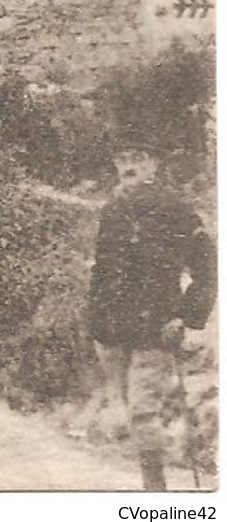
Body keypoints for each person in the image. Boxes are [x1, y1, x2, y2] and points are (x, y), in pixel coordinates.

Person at [88, 142, 216, 491]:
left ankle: (155, 493)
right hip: (112, 329)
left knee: (143, 412)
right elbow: (103, 268)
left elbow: (209, 270)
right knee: (126, 411)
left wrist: (186, 318)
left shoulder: (177, 211)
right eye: (122, 159)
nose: (128, 166)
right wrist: (95, 320)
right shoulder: (113, 210)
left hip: (156, 328)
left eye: (139, 158)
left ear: (154, 165)